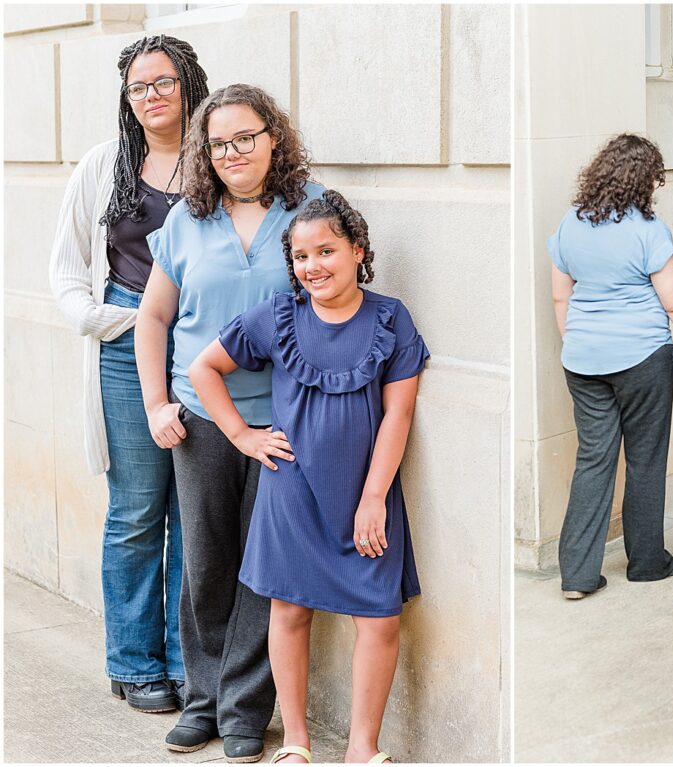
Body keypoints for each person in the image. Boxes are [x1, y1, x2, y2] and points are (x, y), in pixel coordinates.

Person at [189, 190, 426, 765]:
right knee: (289, 609)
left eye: (327, 251)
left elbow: (399, 413)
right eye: (300, 256)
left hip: (364, 494)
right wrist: (244, 436)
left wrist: (374, 498)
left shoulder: (390, 318)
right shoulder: (278, 316)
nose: (313, 266)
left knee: (379, 615)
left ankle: (361, 749)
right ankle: (296, 742)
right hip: (292, 490)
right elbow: (203, 368)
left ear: (357, 251)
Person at [135, 83, 325, 760]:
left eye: (246, 137)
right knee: (206, 561)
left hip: (284, 421)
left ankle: (245, 710)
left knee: (264, 569)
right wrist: (157, 402)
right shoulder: (189, 219)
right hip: (200, 420)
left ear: (273, 136)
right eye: (218, 143)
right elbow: (153, 318)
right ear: (204, 152)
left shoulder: (310, 208)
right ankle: (204, 699)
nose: (233, 152)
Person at [48, 34, 209, 713]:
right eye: (139, 87)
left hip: (201, 349)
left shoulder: (214, 161)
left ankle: (184, 662)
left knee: (195, 513)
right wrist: (101, 318)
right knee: (140, 509)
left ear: (189, 83)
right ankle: (134, 661)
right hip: (123, 346)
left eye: (163, 82)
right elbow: (64, 267)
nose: (151, 97)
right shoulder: (104, 165)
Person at [547, 134, 673, 599]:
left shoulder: (570, 223)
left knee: (593, 460)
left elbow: (560, 295)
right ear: (644, 180)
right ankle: (648, 562)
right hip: (642, 358)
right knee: (645, 460)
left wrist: (582, 344)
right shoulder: (649, 229)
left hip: (583, 363)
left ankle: (576, 575)